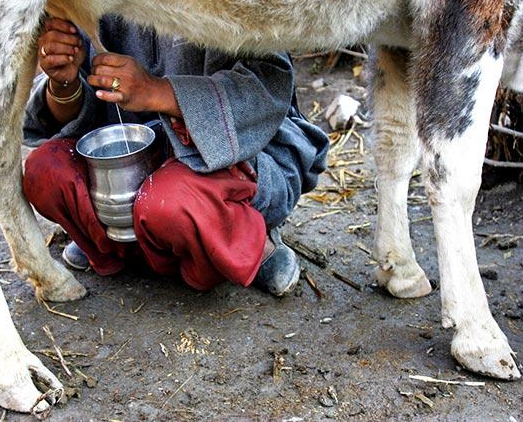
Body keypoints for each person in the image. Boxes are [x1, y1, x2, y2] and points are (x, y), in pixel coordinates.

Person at [23, 15, 328, 296]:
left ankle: (249, 241)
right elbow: (77, 107)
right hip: (128, 172)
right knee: (44, 170)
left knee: (170, 203)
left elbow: (267, 87)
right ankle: (117, 247)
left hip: (219, 165)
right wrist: (64, 82)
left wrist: (156, 91)